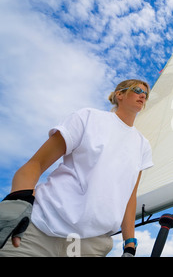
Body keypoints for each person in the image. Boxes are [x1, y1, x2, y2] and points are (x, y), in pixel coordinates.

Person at [0, 79, 153, 257]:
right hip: (38, 231)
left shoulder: (143, 145)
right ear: (120, 94)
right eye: (137, 90)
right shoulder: (88, 118)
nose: (143, 95)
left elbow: (129, 197)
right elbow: (36, 164)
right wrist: (17, 203)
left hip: (90, 246)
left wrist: (130, 244)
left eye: (146, 94)